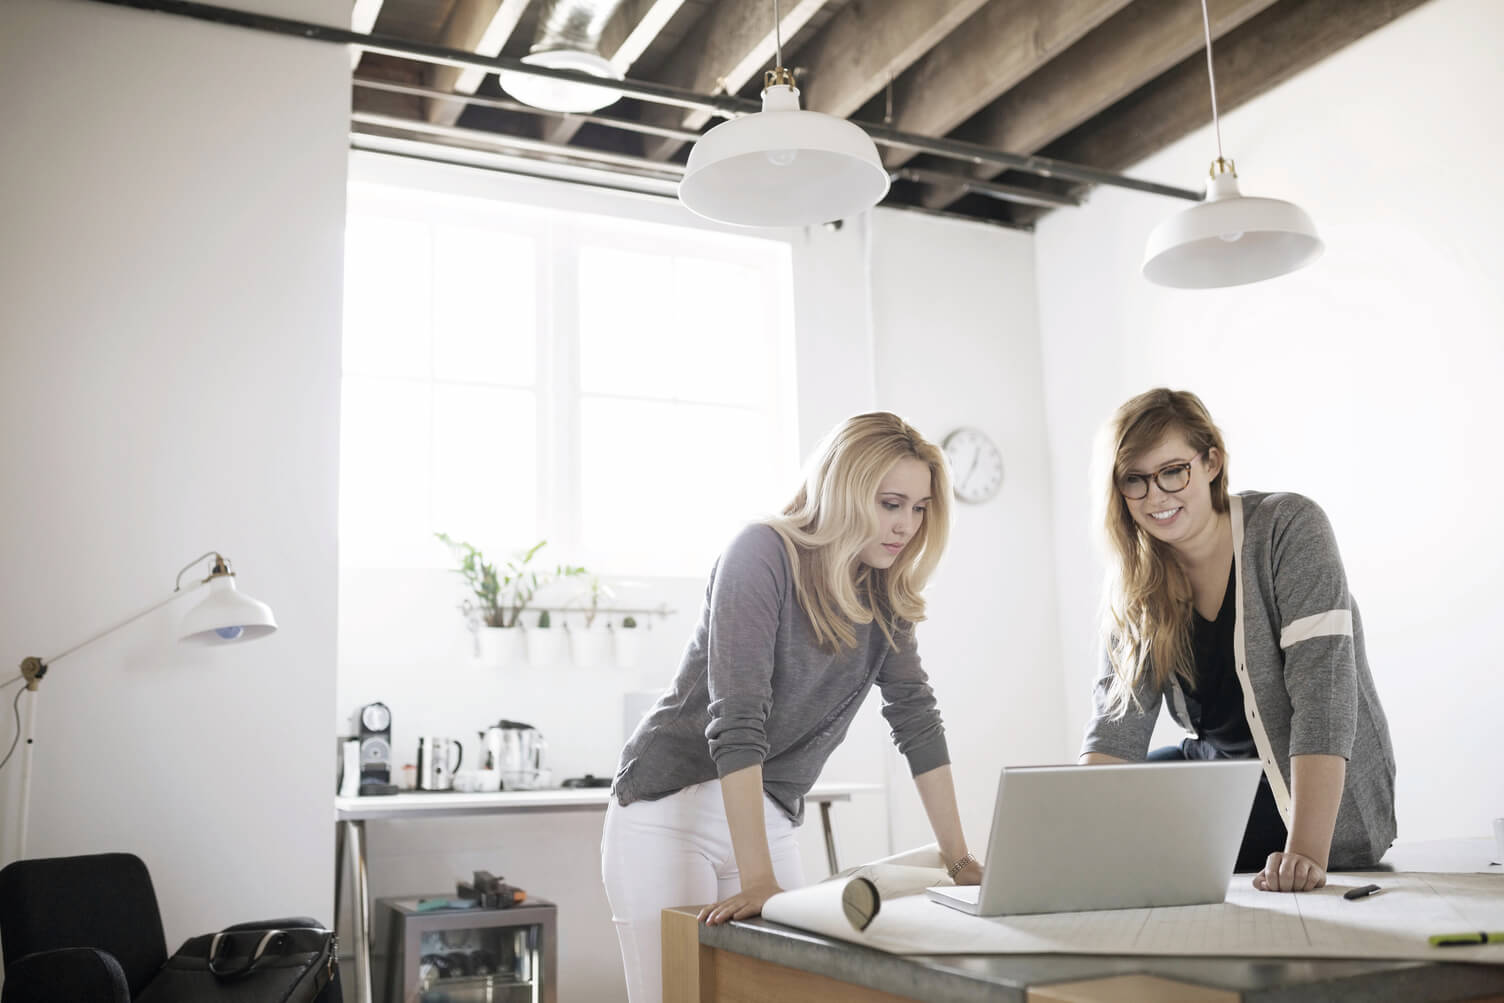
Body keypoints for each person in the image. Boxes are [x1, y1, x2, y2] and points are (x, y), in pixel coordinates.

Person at [600, 411, 982, 1003]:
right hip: (667, 812)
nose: (906, 524)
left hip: (769, 815)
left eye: (919, 507)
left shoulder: (887, 591)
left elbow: (916, 716)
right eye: (890, 503)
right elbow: (737, 717)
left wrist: (962, 864)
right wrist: (759, 881)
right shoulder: (761, 552)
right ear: (846, 490)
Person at [1079, 388, 1397, 894]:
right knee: (1105, 819)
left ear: (1211, 462)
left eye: (1172, 471)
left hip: (1302, 792)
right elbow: (1117, 731)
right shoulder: (1137, 579)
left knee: (1139, 848)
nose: (1156, 495)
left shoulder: (1290, 528)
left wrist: (1307, 854)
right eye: (1134, 480)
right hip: (1218, 772)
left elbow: (1325, 700)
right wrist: (1069, 838)